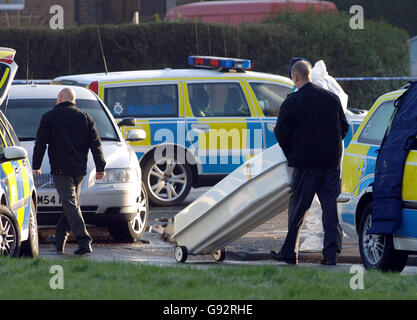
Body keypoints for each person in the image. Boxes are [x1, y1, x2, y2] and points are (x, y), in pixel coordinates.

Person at [272, 60, 349, 265]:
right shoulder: (331, 98)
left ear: (295, 77)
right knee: (330, 209)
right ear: (309, 75)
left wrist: (292, 154)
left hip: (305, 165)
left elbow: (280, 132)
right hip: (331, 163)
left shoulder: (293, 101)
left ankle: (290, 252)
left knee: (298, 209)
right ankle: (331, 255)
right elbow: (344, 127)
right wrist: (330, 147)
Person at [32, 88, 106, 255]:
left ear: (60, 98)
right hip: (79, 169)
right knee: (71, 204)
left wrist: (36, 165)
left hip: (60, 169)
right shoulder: (86, 117)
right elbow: (96, 144)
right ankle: (59, 240)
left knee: (70, 204)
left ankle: (84, 241)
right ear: (73, 100)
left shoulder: (49, 117)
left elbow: (40, 143)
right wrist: (100, 167)